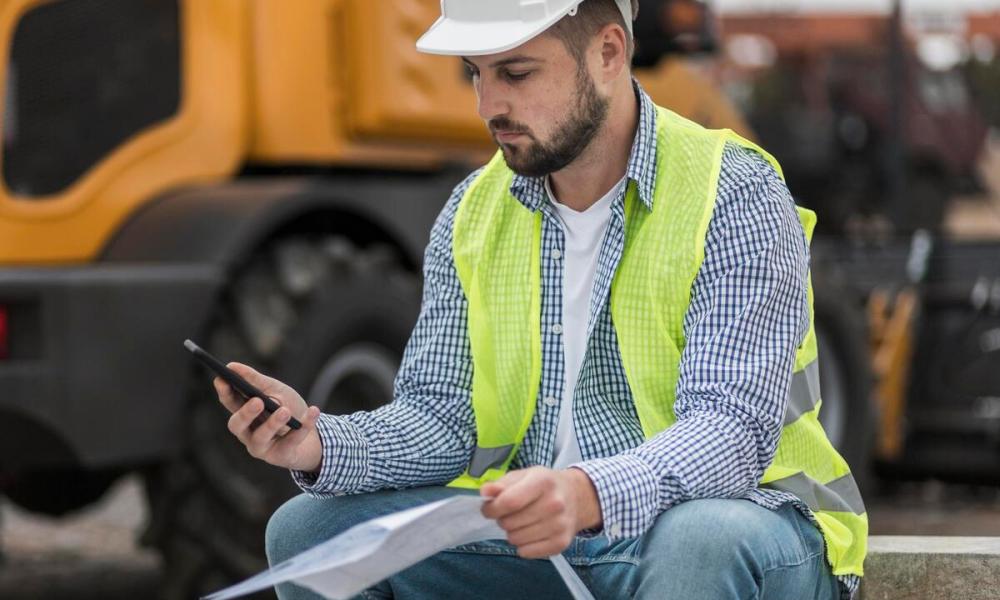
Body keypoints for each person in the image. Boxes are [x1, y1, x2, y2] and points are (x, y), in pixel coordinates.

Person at [214, 1, 868, 598]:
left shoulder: (733, 193)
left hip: (743, 533)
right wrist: (318, 445)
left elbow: (729, 432)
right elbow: (441, 419)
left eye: (517, 74)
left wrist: (585, 493)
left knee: (699, 542)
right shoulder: (472, 212)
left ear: (609, 54)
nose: (487, 105)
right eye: (476, 74)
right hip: (553, 550)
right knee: (309, 531)